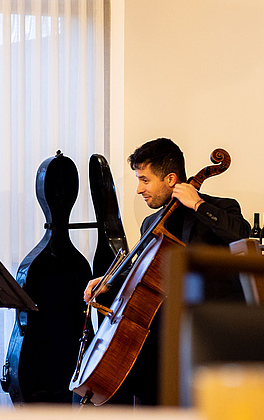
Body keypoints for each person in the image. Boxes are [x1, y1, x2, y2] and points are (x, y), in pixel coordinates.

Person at [83, 137, 250, 405]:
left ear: (171, 179)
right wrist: (109, 280)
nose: (139, 189)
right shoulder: (152, 222)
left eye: (145, 180)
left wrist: (199, 205)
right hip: (167, 325)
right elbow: (144, 273)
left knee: (144, 353)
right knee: (128, 344)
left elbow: (243, 237)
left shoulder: (221, 208)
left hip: (210, 323)